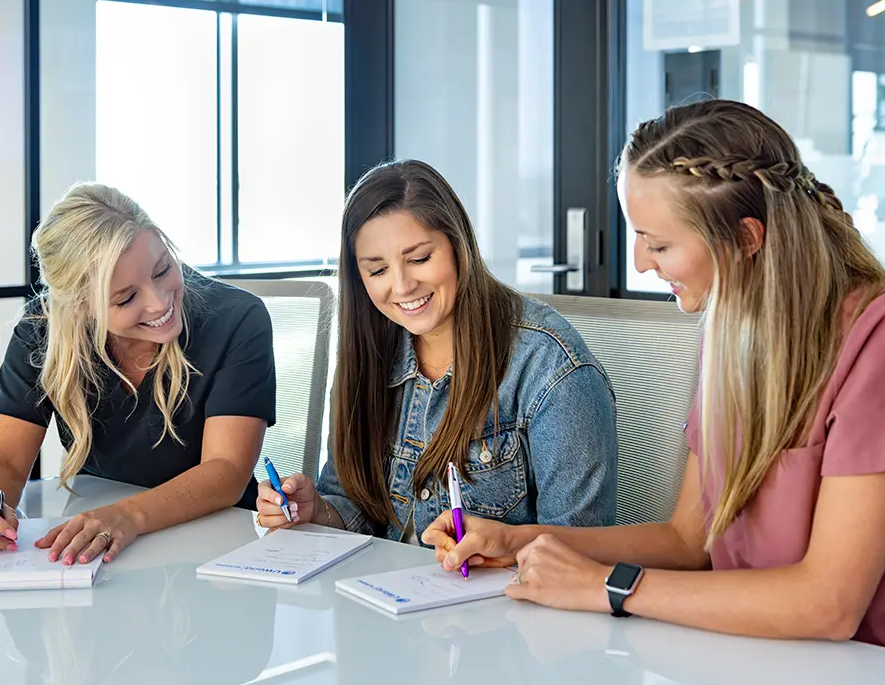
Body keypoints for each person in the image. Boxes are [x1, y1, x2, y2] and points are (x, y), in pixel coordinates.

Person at [423, 99, 885, 658]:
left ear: (746, 238)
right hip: (750, 660)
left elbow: (829, 603)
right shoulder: (729, 328)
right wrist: (519, 541)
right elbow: (688, 540)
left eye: (659, 243)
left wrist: (610, 586)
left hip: (879, 671)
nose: (641, 262)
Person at [257, 159, 617, 541]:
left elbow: (579, 547)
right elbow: (356, 505)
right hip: (379, 590)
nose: (402, 285)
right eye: (377, 271)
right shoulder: (372, 350)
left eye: (419, 259)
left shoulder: (549, 365)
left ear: (458, 247)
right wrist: (319, 511)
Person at [0, 183, 275, 565]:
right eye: (125, 298)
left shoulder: (238, 319)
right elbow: (2, 460)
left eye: (162, 270)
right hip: (97, 541)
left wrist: (128, 515)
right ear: (79, 308)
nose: (159, 302)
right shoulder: (44, 329)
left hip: (217, 543)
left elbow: (226, 471)